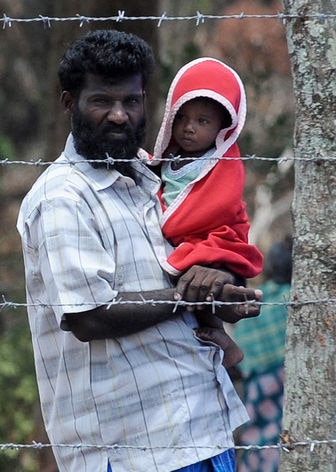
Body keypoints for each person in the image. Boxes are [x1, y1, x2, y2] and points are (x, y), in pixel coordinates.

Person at [16, 30, 263, 472]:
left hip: (203, 431)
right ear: (69, 104)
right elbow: (88, 316)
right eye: (102, 101)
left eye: (131, 101)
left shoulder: (154, 179)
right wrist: (188, 296)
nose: (119, 115)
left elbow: (203, 253)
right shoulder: (63, 198)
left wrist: (224, 280)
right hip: (132, 452)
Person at [151, 57, 264, 368]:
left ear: (222, 127)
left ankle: (225, 339)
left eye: (203, 122)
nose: (189, 128)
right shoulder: (169, 158)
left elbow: (220, 205)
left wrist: (172, 224)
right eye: (182, 117)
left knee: (197, 275)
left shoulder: (221, 162)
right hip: (189, 236)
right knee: (191, 276)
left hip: (216, 235)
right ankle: (216, 334)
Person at [233, 237, 292, 472]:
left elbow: (239, 352)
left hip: (257, 386)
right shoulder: (298, 300)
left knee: (261, 435)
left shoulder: (259, 298)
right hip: (287, 384)